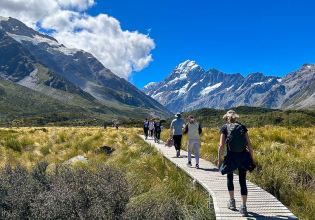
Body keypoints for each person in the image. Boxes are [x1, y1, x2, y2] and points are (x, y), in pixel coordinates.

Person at [217, 110, 254, 217]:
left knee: (230, 178)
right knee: (243, 181)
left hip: (231, 156)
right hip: (243, 156)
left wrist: (219, 160)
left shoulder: (225, 128)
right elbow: (249, 145)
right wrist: (251, 159)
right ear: (236, 117)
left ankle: (232, 202)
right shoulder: (242, 127)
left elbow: (221, 145)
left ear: (227, 118)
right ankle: (243, 207)